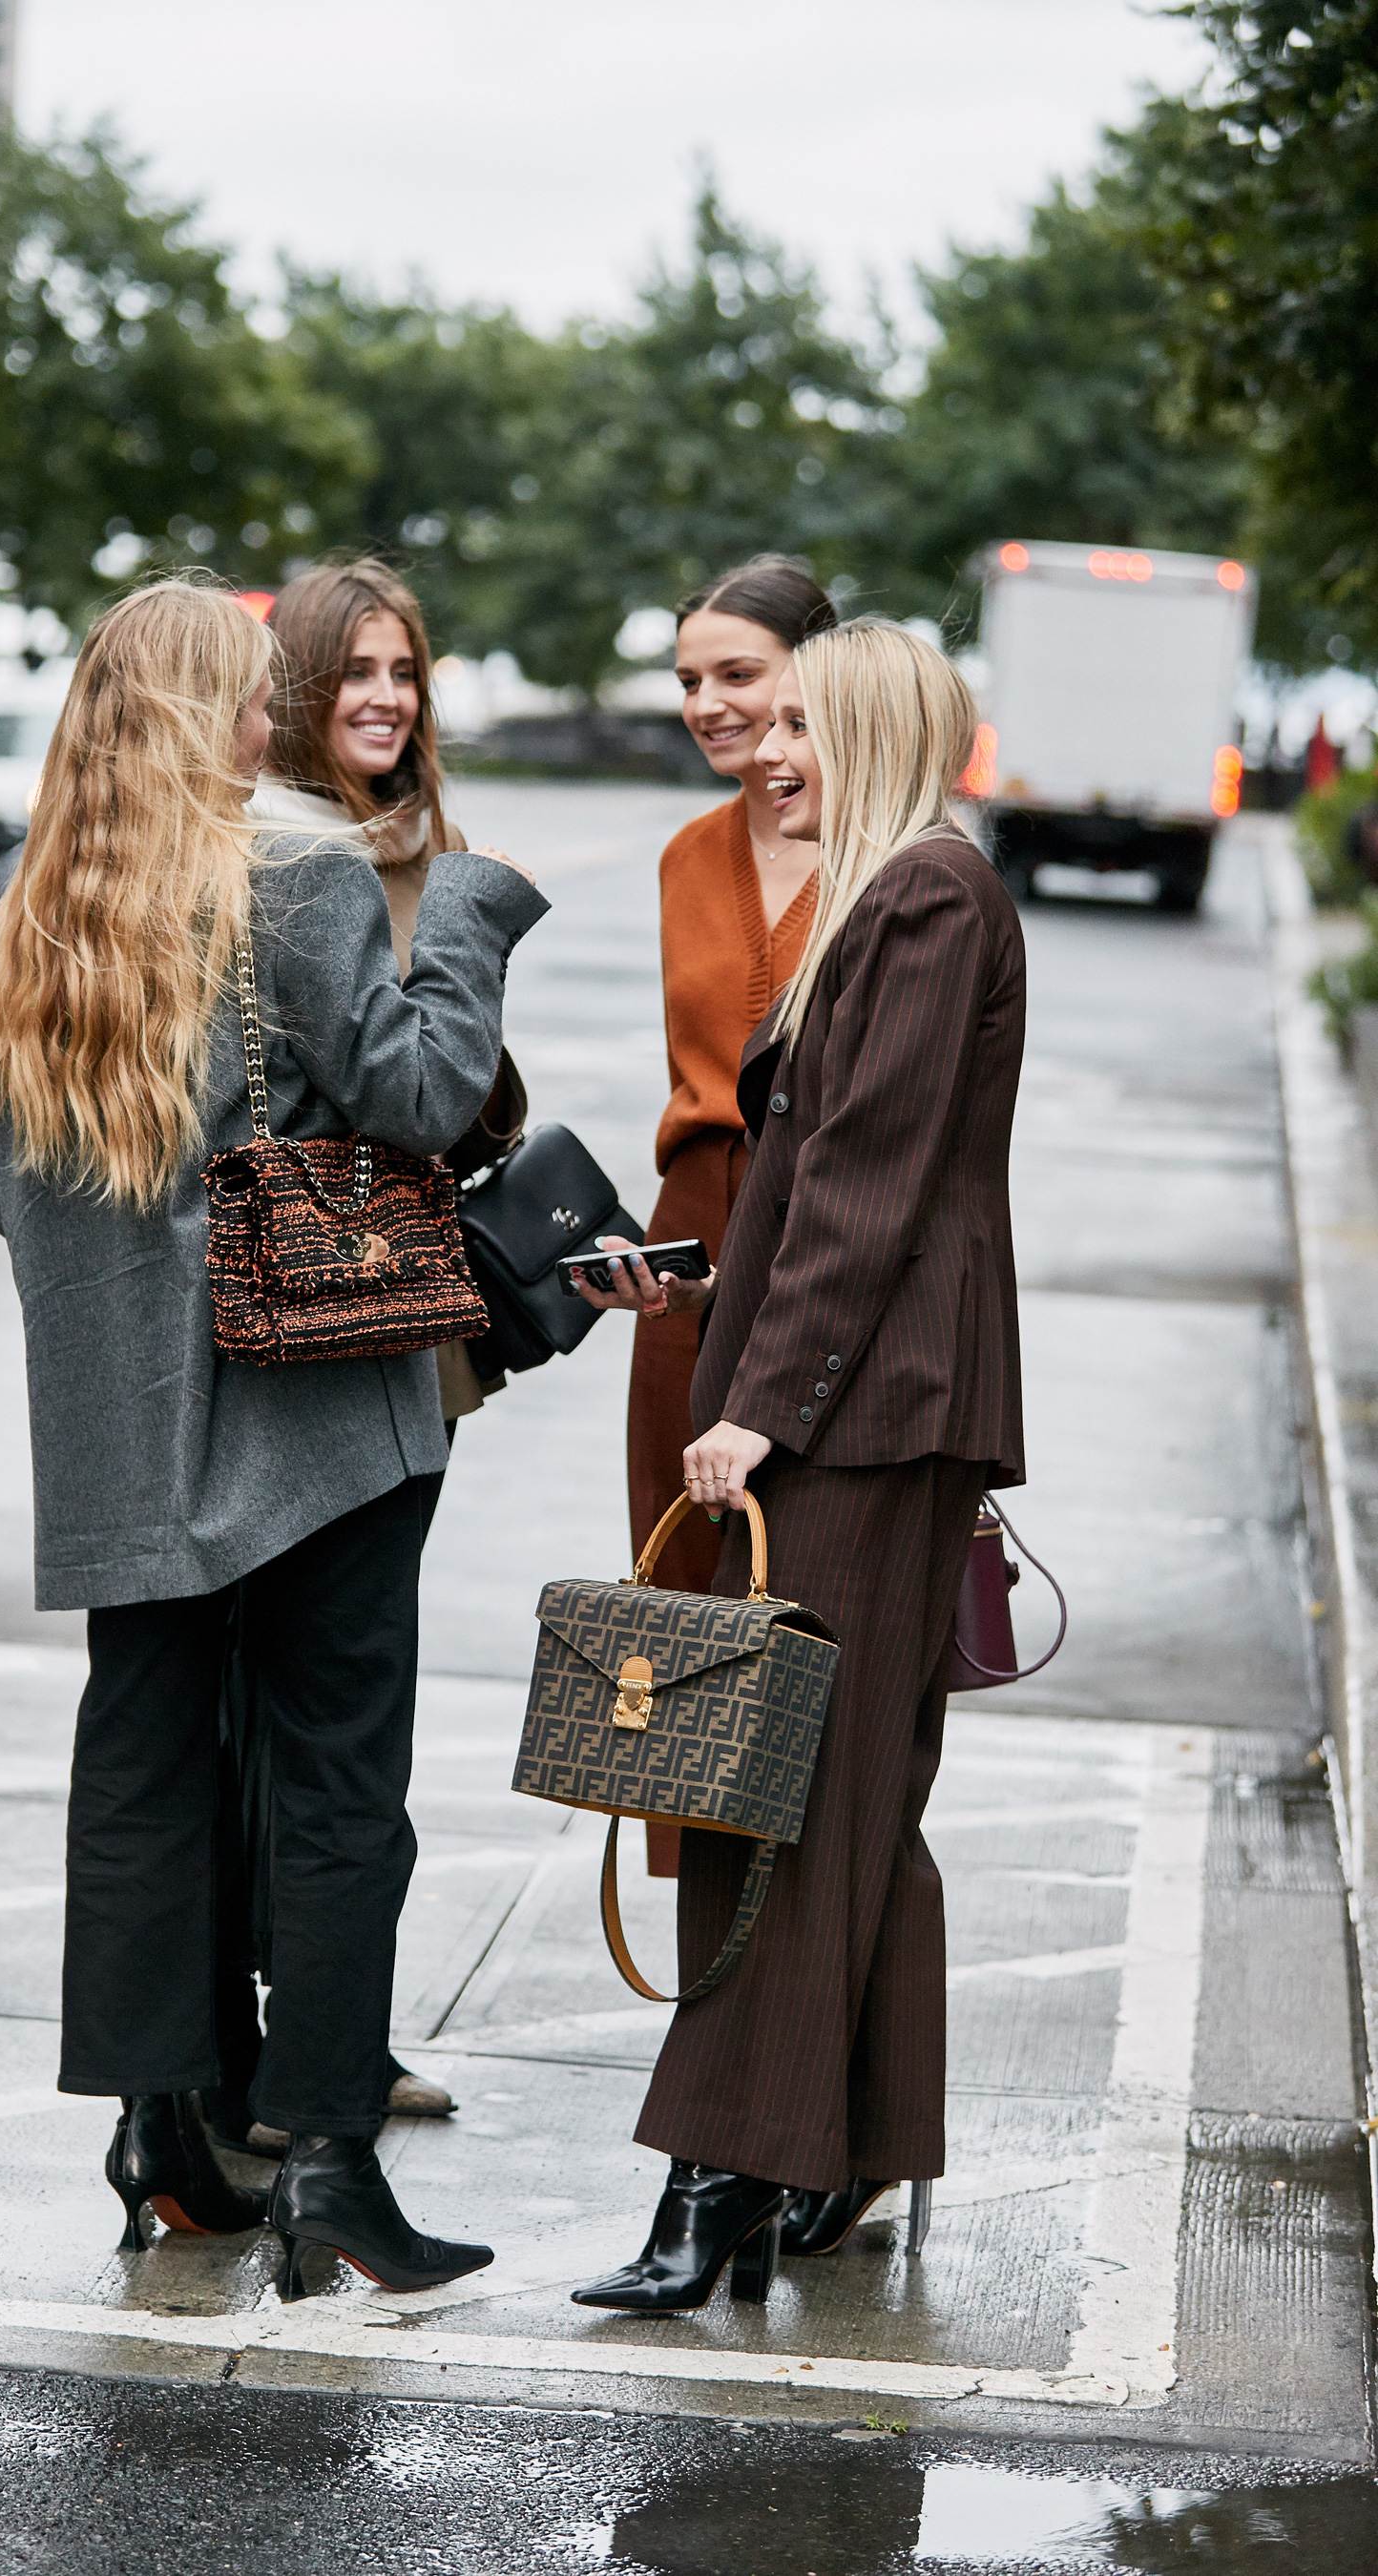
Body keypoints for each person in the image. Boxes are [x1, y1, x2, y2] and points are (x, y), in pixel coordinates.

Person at [0, 577, 547, 2296]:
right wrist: (469, 921)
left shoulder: (34, 916)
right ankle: (332, 2174)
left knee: (144, 1770)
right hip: (313, 1421)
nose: (267, 726)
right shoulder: (289, 873)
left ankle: (164, 2130)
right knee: (338, 1783)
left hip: (120, 1437)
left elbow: (7, 1190)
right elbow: (423, 1096)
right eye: (249, 698)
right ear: (209, 713)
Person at [571, 618, 1025, 2313]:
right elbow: (814, 1180)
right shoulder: (901, 893)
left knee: (775, 1796)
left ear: (882, 738)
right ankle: (829, 2154)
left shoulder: (918, 896)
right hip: (877, 1401)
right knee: (840, 1800)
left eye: (806, 733)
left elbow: (865, 1180)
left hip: (857, 1411)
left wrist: (760, 1401)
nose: (771, 755)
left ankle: (724, 2182)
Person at [233, 558, 524, 2151]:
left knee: (359, 1710)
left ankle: (336, 2030)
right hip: (270, 1316)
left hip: (398, 1324)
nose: (386, 698)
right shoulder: (273, 853)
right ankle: (282, 2046)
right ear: (292, 687)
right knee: (266, 1715)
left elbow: (461, 1089)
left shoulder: (432, 850)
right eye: (354, 670)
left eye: (405, 670)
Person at [624, 558, 837, 1603]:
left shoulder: (885, 861)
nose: (706, 705)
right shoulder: (686, 856)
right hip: (695, 1221)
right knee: (678, 1570)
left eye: (736, 675)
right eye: (687, 681)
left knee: (801, 1577)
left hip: (825, 1232)